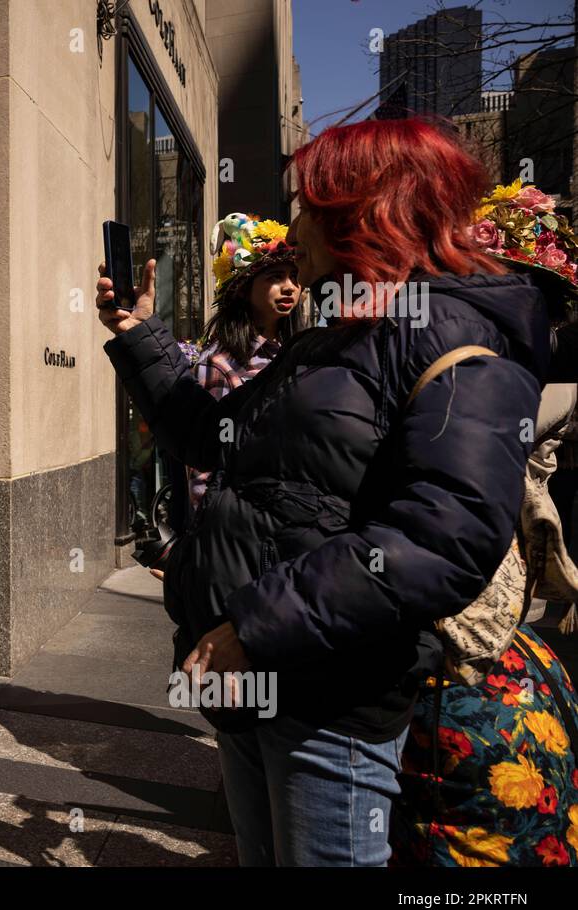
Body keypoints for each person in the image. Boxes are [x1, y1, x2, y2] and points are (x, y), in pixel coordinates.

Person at [96, 117, 549, 866]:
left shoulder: (459, 340)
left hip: (328, 704)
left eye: (310, 205)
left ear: (366, 213)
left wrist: (254, 624)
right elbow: (214, 440)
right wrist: (140, 335)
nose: (294, 227)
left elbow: (443, 537)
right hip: (252, 685)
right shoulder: (335, 335)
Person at [392, 181, 578, 866]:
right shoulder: (449, 372)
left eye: (552, 308)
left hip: (490, 654)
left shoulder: (528, 385)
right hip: (442, 651)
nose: (543, 325)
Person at [188, 213, 302, 512]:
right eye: (275, 277)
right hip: (239, 526)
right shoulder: (218, 363)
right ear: (243, 289)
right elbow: (203, 470)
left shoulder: (296, 353)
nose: (289, 287)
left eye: (294, 276)